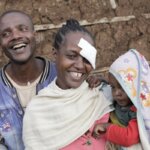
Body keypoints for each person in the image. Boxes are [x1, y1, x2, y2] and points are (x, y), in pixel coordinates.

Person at [23, 19, 114, 150]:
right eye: (72, 56)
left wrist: (107, 82)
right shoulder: (38, 109)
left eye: (86, 59)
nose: (80, 65)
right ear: (55, 54)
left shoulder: (101, 94)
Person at [0, 10, 57, 150]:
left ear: (34, 35)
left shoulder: (61, 76)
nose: (16, 36)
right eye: (6, 34)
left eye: (23, 29)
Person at [93, 49, 150, 150]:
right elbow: (113, 83)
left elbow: (129, 137)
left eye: (122, 88)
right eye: (113, 87)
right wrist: (100, 80)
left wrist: (107, 127)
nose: (116, 93)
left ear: (136, 88)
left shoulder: (137, 111)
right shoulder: (124, 98)